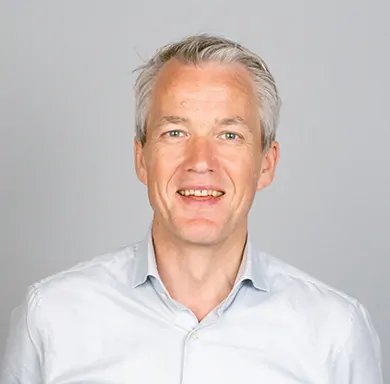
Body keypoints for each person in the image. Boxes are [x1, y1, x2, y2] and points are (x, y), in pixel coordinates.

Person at [0, 34, 383, 383]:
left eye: (229, 135)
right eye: (175, 133)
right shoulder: (50, 317)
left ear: (266, 163)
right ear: (141, 159)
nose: (200, 161)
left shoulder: (337, 333)